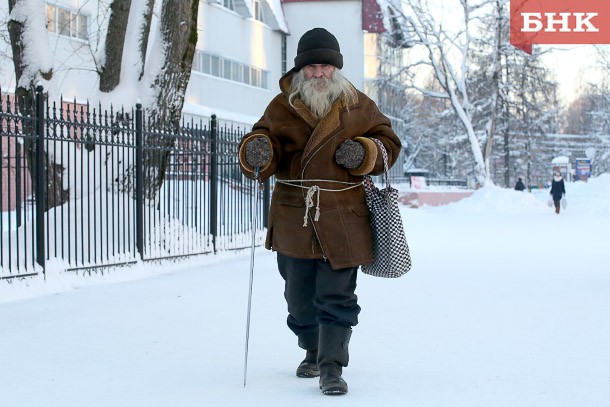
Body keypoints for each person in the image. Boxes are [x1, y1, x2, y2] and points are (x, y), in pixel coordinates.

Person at [238, 27, 401, 396]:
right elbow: (261, 140)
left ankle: (331, 366)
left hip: (343, 217)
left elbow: (389, 142)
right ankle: (311, 348)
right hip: (294, 216)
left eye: (325, 67)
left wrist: (365, 152)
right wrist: (258, 150)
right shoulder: (282, 106)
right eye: (311, 68)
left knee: (338, 296)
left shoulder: (360, 105)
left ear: (337, 69)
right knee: (298, 299)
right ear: (300, 71)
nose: (318, 74)